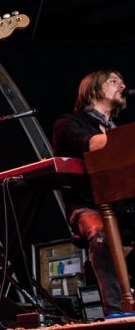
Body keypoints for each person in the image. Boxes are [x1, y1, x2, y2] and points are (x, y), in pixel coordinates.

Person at [53, 70, 131, 315]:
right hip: (86, 205)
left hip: (123, 206)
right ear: (94, 89)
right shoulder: (68, 122)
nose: (122, 85)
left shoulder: (117, 128)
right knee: (101, 235)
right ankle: (116, 310)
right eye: (114, 81)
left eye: (122, 82)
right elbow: (91, 143)